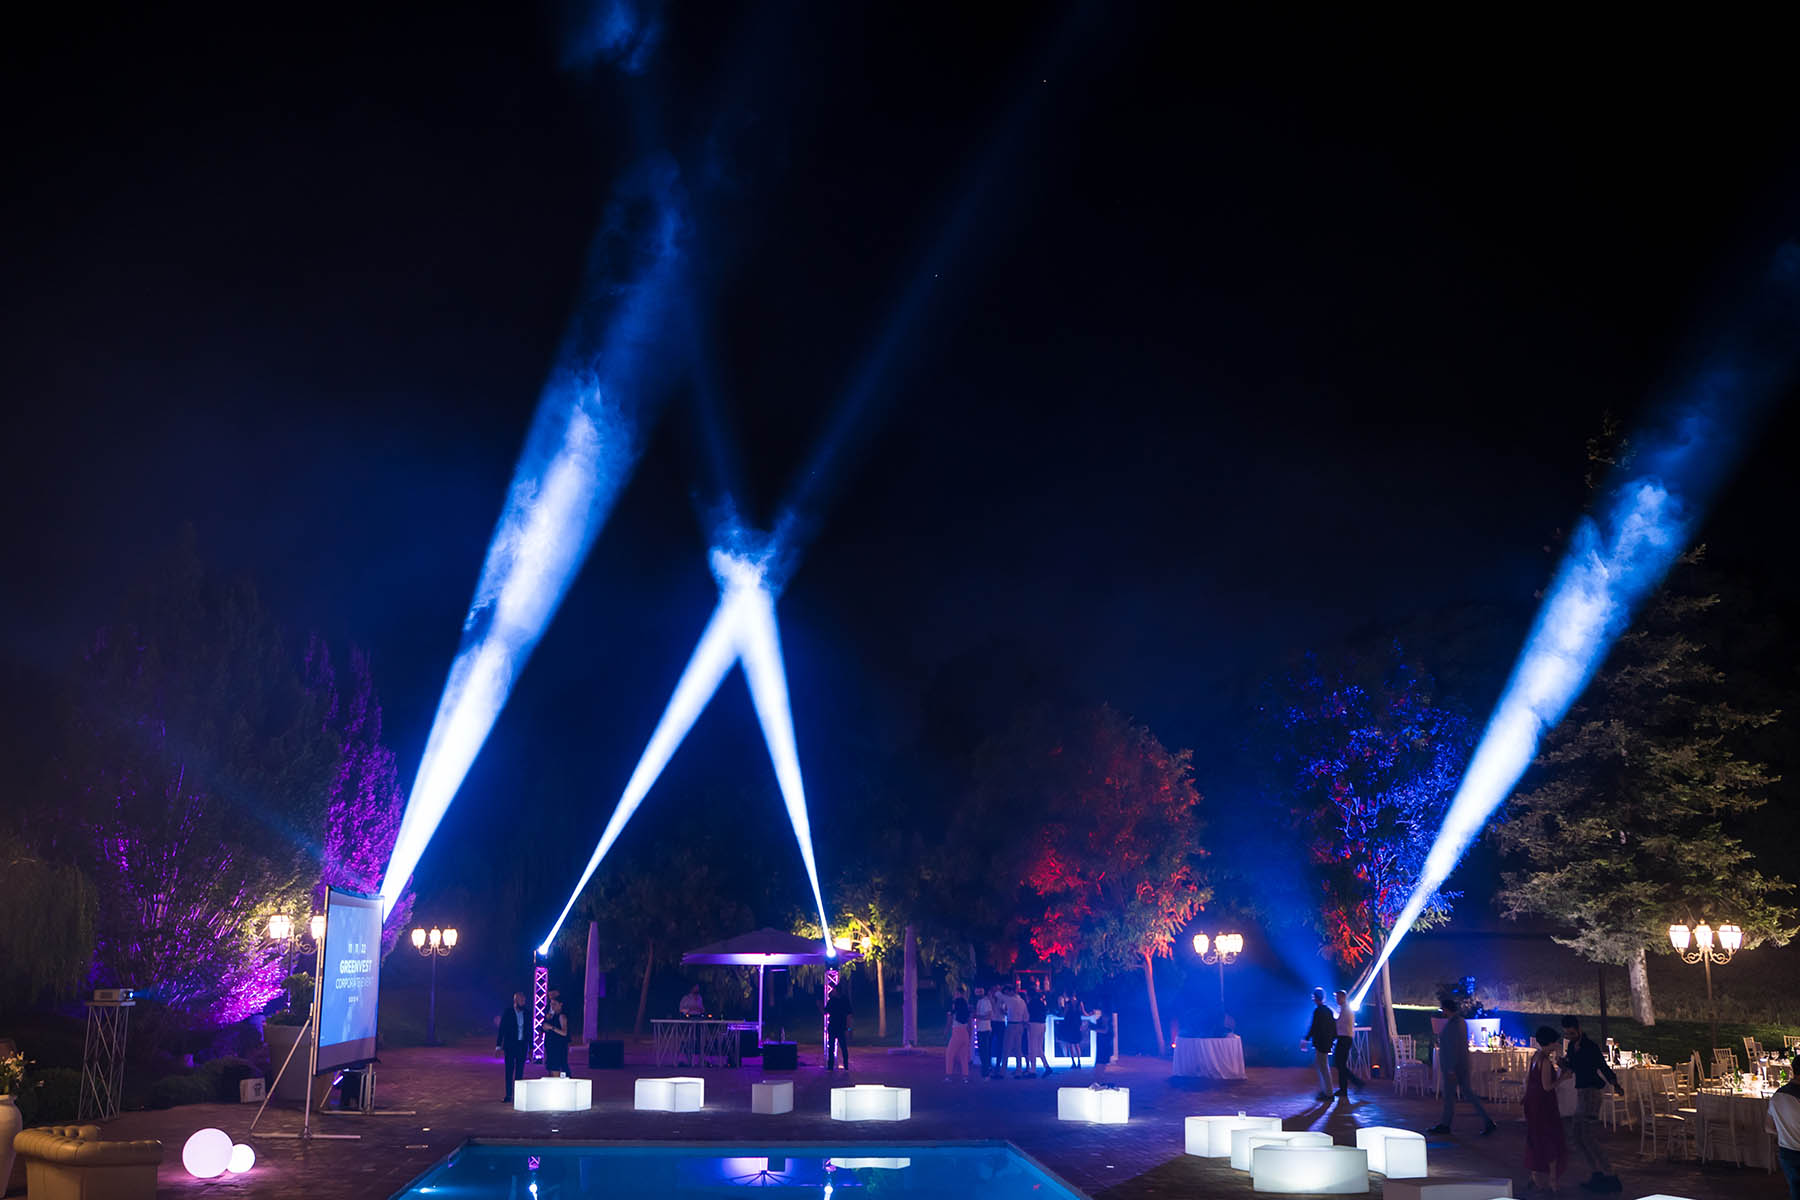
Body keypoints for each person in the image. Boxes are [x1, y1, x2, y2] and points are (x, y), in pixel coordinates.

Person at [1559, 1015, 1623, 1192]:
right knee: (1577, 1135)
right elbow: (1572, 1068)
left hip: (1592, 1093)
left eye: (1572, 1033)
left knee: (1586, 1135)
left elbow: (1603, 1066)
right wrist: (1563, 1064)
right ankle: (1596, 1172)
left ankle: (1610, 1174)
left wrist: (1616, 1084)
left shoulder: (1590, 1047)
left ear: (1579, 1029)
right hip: (1582, 1093)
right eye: (1567, 1034)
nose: (1570, 1037)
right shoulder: (1571, 1047)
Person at [1425, 998, 1497, 1136]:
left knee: (1450, 1096)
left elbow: (1454, 1047)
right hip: (1459, 1065)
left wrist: (1451, 1068)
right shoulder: (1459, 1022)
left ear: (1447, 1009)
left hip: (1455, 1066)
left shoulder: (1456, 1024)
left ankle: (1446, 1124)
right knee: (1464, 1093)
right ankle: (1485, 1120)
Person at [1523, 1025, 1567, 1195]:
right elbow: (1547, 1086)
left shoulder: (1535, 1056)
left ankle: (1535, 1176)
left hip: (1533, 1103)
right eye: (1555, 1042)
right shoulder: (1545, 1062)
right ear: (1551, 1042)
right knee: (1551, 1139)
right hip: (1544, 1105)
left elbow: (1529, 1080)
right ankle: (1552, 1181)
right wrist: (1563, 1077)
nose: (1557, 1045)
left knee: (1536, 1138)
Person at [1767, 1063, 1800, 1200]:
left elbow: (1769, 1127)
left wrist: (1786, 1132)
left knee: (1796, 1191)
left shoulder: (1777, 1095)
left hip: (1787, 1152)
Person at [496, 990, 531, 1102]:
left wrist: (531, 1048)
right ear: (515, 1000)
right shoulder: (508, 1012)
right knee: (509, 1071)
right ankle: (508, 1095)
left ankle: (518, 1096)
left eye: (524, 1000)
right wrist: (498, 1046)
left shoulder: (527, 1013)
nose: (523, 1002)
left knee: (520, 1071)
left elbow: (529, 1031)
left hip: (522, 1045)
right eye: (521, 1000)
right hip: (510, 1046)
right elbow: (502, 1029)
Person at [1303, 987, 1336, 1102]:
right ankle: (1326, 1091)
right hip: (1326, 1043)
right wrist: (1331, 1041)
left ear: (1315, 998)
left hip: (1321, 1043)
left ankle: (1329, 1093)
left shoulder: (1318, 1011)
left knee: (1323, 1067)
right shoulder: (1328, 1011)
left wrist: (1306, 1039)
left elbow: (1314, 1027)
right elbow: (1333, 1028)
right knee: (1322, 1066)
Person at [1332, 989, 1366, 1097]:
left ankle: (1355, 1083)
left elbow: (1340, 1025)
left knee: (1340, 1064)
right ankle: (1345, 1088)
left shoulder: (1346, 1010)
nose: (1336, 1000)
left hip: (1344, 1038)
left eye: (1338, 997)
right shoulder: (1344, 1009)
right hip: (1344, 1038)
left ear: (1343, 998)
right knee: (1340, 1064)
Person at [945, 987, 972, 1082]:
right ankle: (965, 1077)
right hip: (965, 1032)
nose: (954, 995)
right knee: (964, 1056)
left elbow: (949, 1020)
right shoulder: (966, 1006)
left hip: (957, 1032)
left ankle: (949, 1075)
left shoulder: (955, 1004)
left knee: (950, 1054)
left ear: (959, 994)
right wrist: (970, 1034)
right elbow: (970, 1022)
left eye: (956, 993)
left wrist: (946, 1031)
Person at [824, 977, 853, 1071]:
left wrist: (848, 1028)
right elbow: (849, 1014)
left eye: (834, 990)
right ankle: (842, 1066)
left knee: (836, 1047)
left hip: (836, 1027)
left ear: (836, 991)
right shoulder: (841, 1000)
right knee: (840, 1047)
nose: (832, 992)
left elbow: (825, 1011)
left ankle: (833, 1066)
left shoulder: (834, 1000)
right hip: (838, 1027)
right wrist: (848, 1028)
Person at [1026, 982, 1052, 1077]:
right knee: (1039, 1047)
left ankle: (1033, 1071)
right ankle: (1047, 1066)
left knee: (1033, 1048)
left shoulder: (1031, 1003)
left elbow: (1027, 1014)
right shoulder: (1041, 1002)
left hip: (1034, 1024)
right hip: (1042, 1025)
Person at [542, 994, 570, 1078]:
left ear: (560, 1004)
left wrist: (551, 1027)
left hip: (557, 1048)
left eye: (554, 1004)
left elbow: (564, 1032)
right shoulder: (551, 1016)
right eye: (551, 1004)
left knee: (555, 1072)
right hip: (550, 1047)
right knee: (550, 1071)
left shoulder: (562, 1016)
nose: (552, 1006)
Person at [1004, 985, 1030, 1078]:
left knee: (1007, 1048)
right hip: (1020, 1025)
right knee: (1018, 1049)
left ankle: (1002, 1071)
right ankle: (1019, 1070)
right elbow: (1026, 1016)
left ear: (1010, 991)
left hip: (1011, 1024)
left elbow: (1003, 1007)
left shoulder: (1010, 1000)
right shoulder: (1022, 1001)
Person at [1057, 991, 1086, 1068]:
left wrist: (1060, 1008)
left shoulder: (1068, 1003)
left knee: (1070, 1045)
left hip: (1069, 1024)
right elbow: (1084, 1012)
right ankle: (1079, 1062)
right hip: (1077, 1024)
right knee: (1077, 1044)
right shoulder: (1079, 1003)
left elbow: (1064, 1014)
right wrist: (1090, 1014)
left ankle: (1073, 1063)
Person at [974, 986, 997, 1078]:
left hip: (985, 1029)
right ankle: (985, 1070)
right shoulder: (979, 1001)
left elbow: (989, 1016)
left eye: (980, 991)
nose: (978, 993)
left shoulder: (986, 1002)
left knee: (984, 1051)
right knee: (982, 1051)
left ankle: (986, 1071)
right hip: (981, 1029)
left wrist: (978, 1016)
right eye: (977, 991)